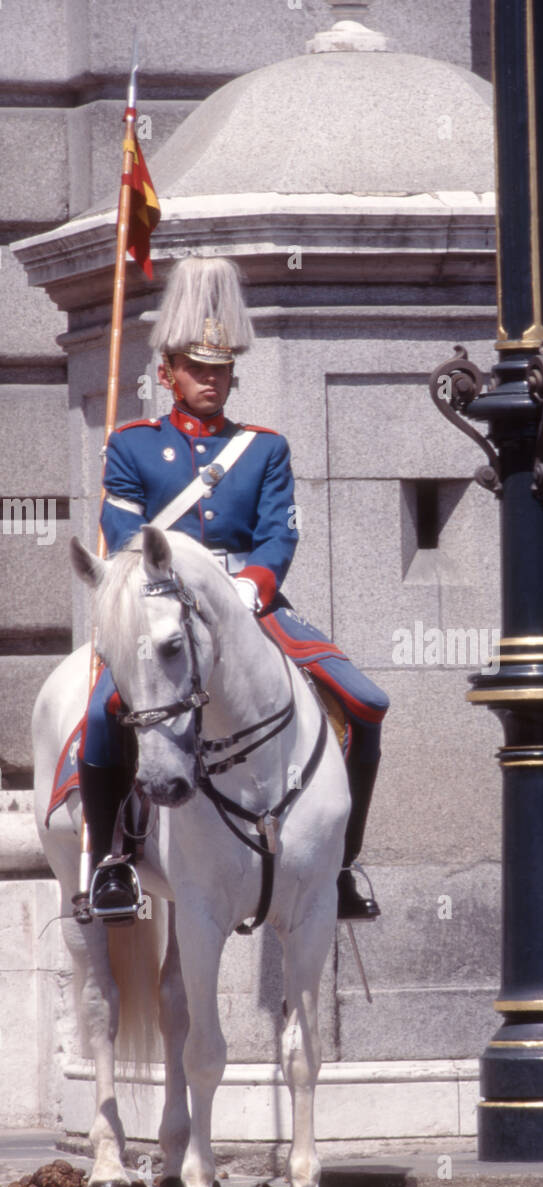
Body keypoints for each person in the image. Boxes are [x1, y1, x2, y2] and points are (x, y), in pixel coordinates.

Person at [78, 257, 388, 924]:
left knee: (365, 703)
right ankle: (112, 861)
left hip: (252, 608)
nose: (211, 381)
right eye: (197, 368)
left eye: (220, 370)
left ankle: (340, 864)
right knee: (105, 713)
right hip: (162, 610)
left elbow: (280, 532)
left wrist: (251, 584)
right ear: (167, 374)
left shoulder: (262, 448)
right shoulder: (132, 447)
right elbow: (122, 533)